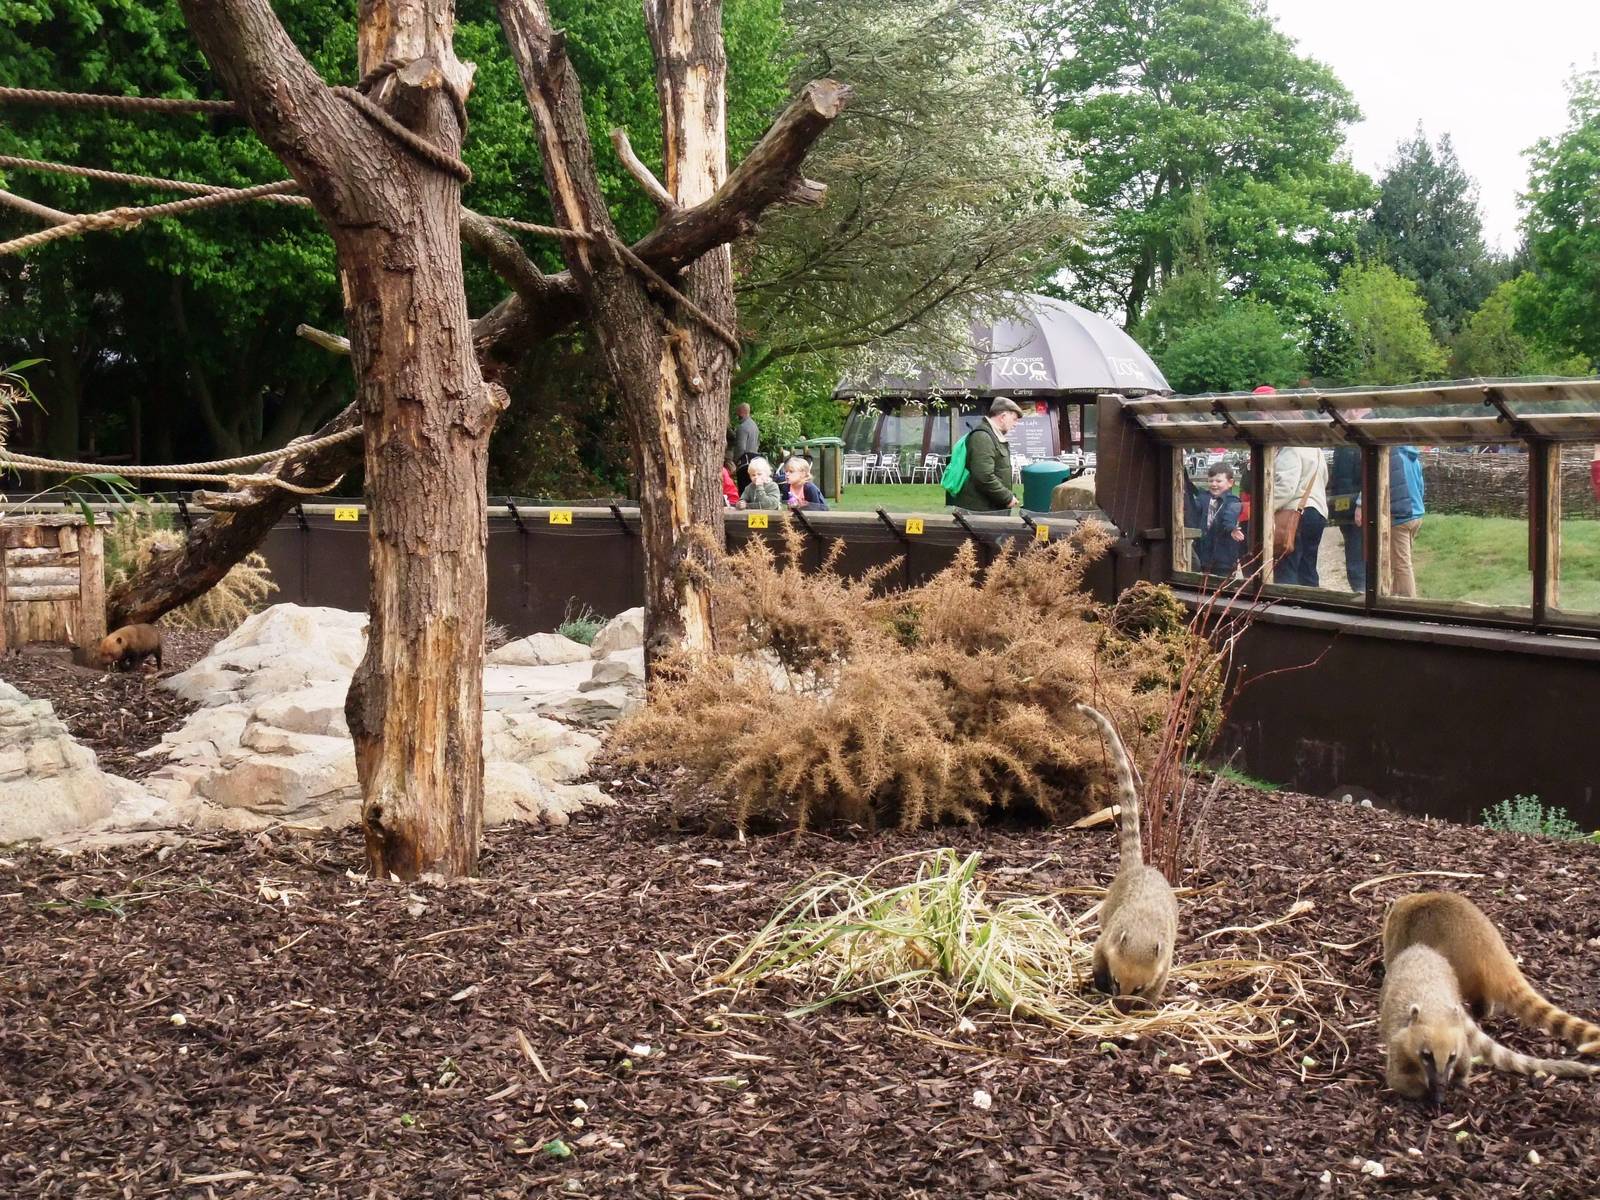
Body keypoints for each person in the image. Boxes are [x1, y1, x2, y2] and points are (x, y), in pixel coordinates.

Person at [946, 396, 1023, 513]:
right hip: (980, 512)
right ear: (1003, 417)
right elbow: (983, 476)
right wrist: (1007, 497)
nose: (1015, 424)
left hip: (990, 510)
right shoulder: (983, 437)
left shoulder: (992, 436)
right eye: (1014, 419)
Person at [1271, 443, 1329, 587]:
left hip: (1295, 513)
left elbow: (1285, 487)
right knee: (1307, 567)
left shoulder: (1291, 448)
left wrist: (1265, 509)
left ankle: (1285, 606)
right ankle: (1311, 606)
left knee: (1286, 567)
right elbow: (1325, 479)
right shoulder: (1315, 449)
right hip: (1317, 511)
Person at [1385, 445, 1425, 598]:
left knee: (1402, 564)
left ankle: (1409, 602)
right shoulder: (1413, 457)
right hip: (1416, 515)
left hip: (1401, 517)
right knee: (1400, 560)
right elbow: (1421, 488)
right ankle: (1395, 597)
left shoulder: (1393, 458)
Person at [1192, 461, 1245, 578]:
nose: (1214, 484)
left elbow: (1230, 514)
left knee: (1223, 584)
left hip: (1224, 556)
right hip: (1204, 552)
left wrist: (1232, 528)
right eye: (1211, 481)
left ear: (1230, 483)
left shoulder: (1233, 500)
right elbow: (1193, 508)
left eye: (1218, 481)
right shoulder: (1203, 498)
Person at [732, 403, 760, 491]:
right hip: (754, 461)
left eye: (738, 413)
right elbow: (757, 443)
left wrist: (735, 462)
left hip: (744, 463)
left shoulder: (742, 427)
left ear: (742, 412)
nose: (737, 416)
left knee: (744, 490)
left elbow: (740, 447)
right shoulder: (754, 426)